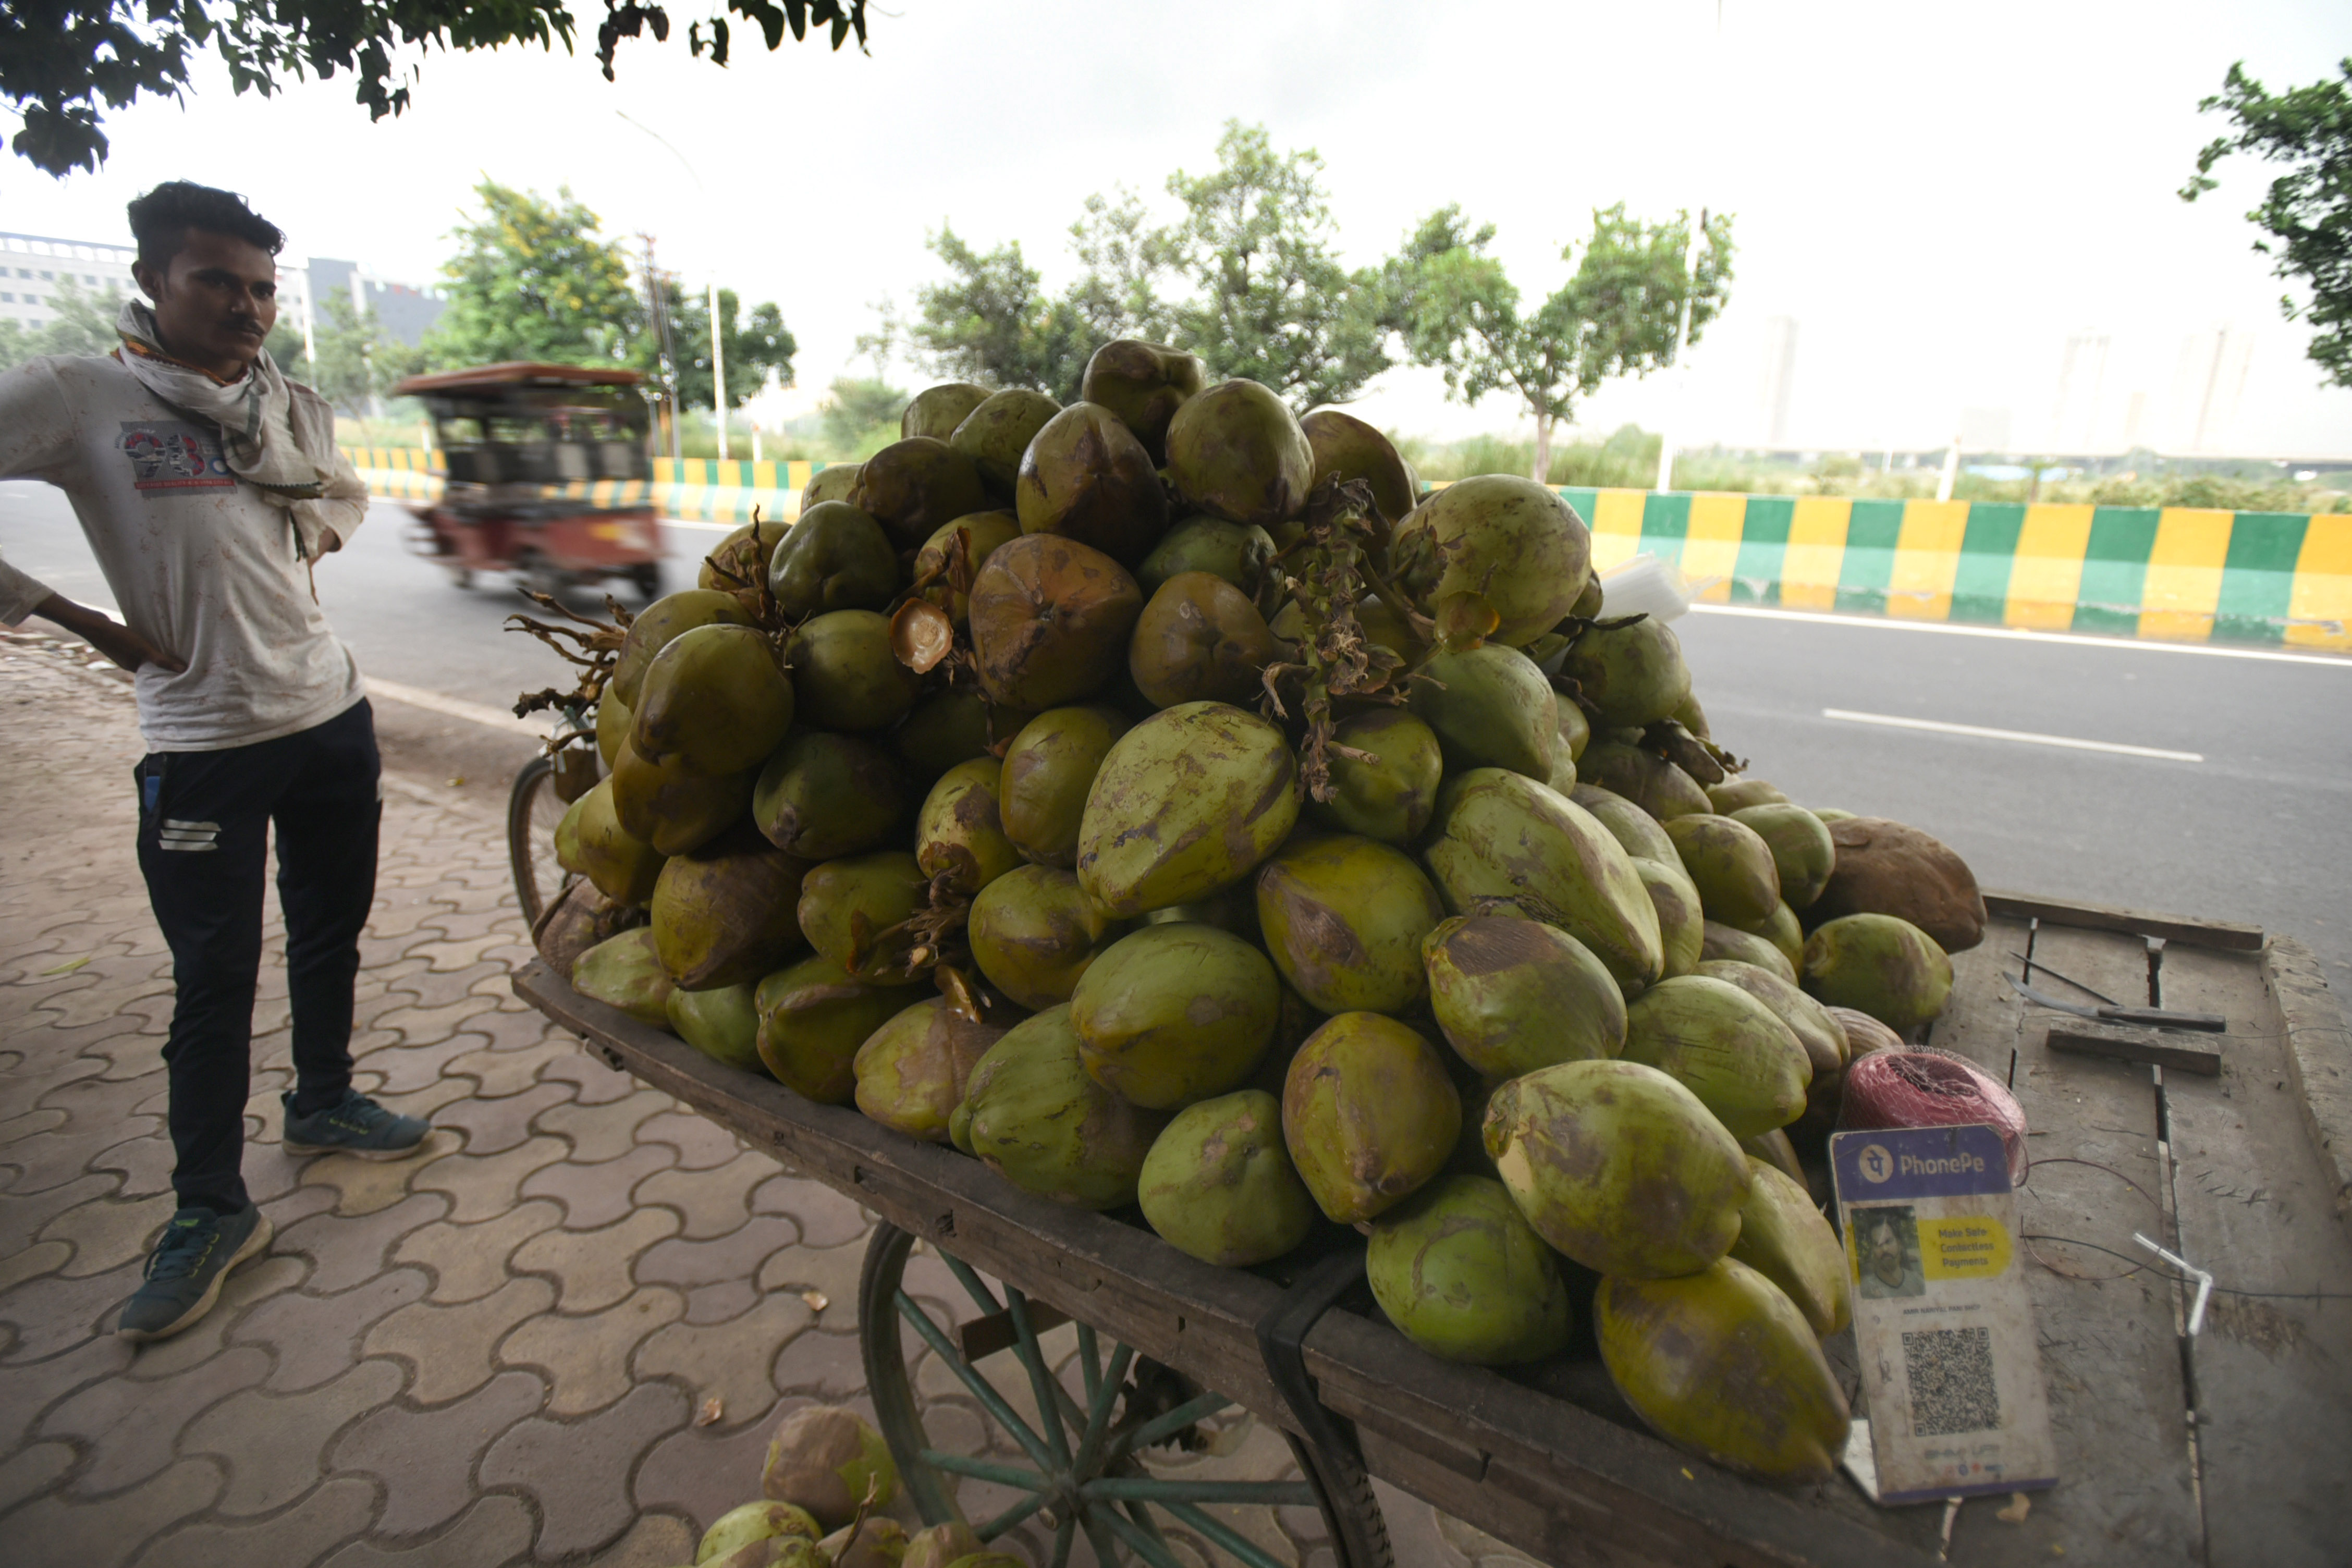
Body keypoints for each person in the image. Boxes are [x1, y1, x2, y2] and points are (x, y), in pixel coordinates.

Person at [0, 182, 430, 1342]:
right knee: (214, 980)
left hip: (328, 714)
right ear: (152, 281)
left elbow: (337, 497)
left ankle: (325, 1098)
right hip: (202, 743)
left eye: (259, 289)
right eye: (216, 283)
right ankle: (209, 1208)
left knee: (332, 925)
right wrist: (70, 618)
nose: (246, 308)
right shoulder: (83, 396)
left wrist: (311, 547)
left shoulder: (289, 401)